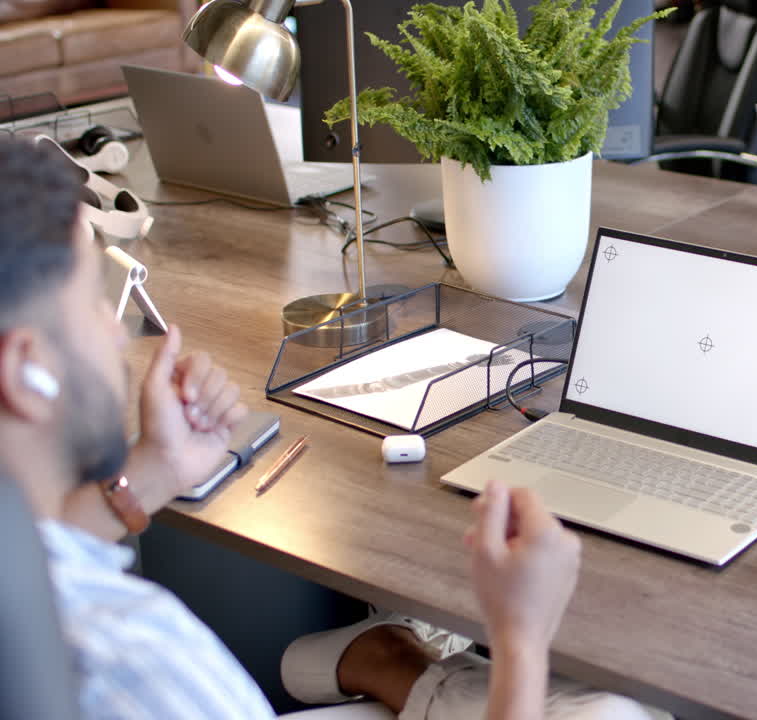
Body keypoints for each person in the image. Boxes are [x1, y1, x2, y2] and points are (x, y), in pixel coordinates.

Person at [0, 138, 663, 720]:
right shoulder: (126, 657)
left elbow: (40, 559)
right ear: (26, 369)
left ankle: (390, 661)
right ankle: (394, 662)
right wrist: (520, 636)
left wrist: (155, 471)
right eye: (90, 301)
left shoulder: (34, 590)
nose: (116, 333)